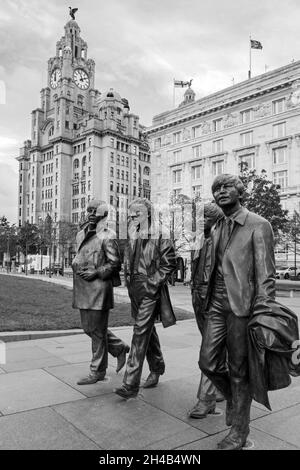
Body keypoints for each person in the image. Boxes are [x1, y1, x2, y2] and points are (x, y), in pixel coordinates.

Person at [199, 174, 276, 450]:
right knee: (207, 362)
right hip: (217, 304)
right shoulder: (218, 227)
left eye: (226, 186)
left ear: (239, 191)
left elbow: (266, 275)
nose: (220, 192)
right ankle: (234, 396)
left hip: (242, 307)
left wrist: (264, 313)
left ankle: (239, 431)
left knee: (239, 369)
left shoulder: (258, 225)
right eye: (215, 188)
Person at [114, 198, 177, 399]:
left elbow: (169, 264)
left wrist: (152, 284)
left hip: (150, 289)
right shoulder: (132, 234)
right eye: (130, 213)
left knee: (139, 332)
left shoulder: (161, 235)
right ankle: (157, 367)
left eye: (137, 213)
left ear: (148, 213)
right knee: (147, 331)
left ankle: (130, 384)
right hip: (135, 290)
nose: (132, 216)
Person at [72, 198, 129, 385]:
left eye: (94, 210)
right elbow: (80, 255)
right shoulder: (81, 234)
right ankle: (119, 348)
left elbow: (114, 263)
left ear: (103, 214)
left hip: (99, 289)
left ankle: (97, 371)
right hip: (82, 288)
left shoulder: (108, 234)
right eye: (88, 209)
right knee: (89, 328)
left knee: (97, 332)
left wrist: (96, 272)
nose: (90, 213)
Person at [188, 202, 225, 419]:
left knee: (209, 351)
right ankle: (222, 385)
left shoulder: (225, 240)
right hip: (198, 297)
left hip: (216, 299)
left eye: (203, 218)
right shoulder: (199, 239)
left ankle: (206, 399)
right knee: (215, 348)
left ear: (215, 220)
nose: (198, 222)